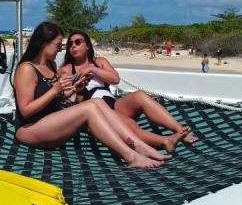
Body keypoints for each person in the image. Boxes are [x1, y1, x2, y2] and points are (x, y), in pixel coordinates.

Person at [14, 22, 168, 168]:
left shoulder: (51, 65)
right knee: (89, 107)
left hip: (52, 127)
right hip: (30, 130)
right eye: (58, 45)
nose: (61, 50)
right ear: (43, 43)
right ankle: (131, 157)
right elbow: (25, 110)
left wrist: (74, 89)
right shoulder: (27, 69)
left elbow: (56, 100)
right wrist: (55, 89)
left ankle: (138, 146)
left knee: (97, 103)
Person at [61, 30, 197, 153]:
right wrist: (76, 86)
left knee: (140, 95)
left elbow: (115, 79)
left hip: (113, 104)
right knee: (129, 124)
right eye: (70, 44)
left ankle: (180, 130)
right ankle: (165, 142)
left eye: (78, 42)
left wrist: (92, 69)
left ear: (88, 46)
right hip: (95, 114)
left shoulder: (99, 62)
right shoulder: (66, 70)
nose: (73, 46)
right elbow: (63, 96)